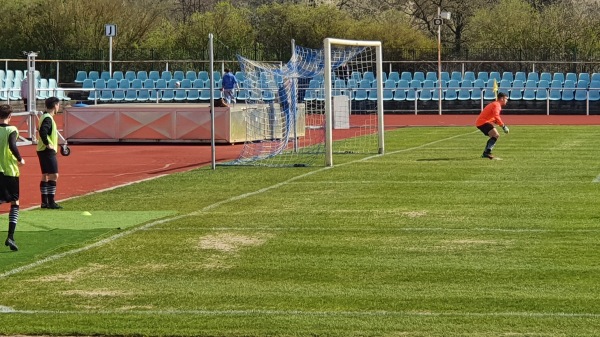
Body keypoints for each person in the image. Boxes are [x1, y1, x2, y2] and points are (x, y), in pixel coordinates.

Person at [0, 105, 25, 251]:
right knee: (14, 202)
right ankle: (10, 236)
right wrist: (20, 159)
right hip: (9, 171)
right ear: (10, 116)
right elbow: (12, 145)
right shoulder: (12, 130)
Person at [37, 96, 62, 209]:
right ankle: (51, 202)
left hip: (42, 150)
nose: (59, 107)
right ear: (54, 106)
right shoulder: (48, 118)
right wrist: (48, 144)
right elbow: (43, 132)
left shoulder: (44, 116)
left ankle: (44, 202)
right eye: (58, 104)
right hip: (47, 150)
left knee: (45, 175)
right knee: (54, 175)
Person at [475, 91, 510, 159]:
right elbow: (496, 116)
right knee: (495, 135)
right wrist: (503, 126)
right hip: (483, 122)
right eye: (506, 99)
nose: (507, 100)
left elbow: (493, 117)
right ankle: (486, 153)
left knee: (494, 136)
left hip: (482, 122)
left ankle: (486, 153)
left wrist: (498, 123)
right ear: (502, 98)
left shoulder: (495, 104)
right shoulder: (497, 105)